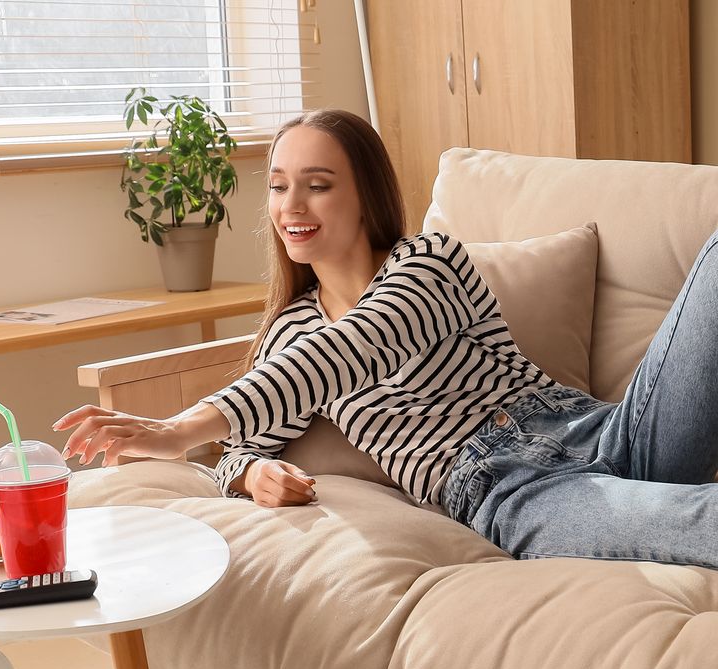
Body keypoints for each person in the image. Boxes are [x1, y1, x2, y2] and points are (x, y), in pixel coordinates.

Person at [54, 109, 718, 570]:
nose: (292, 206)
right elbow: (239, 451)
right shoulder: (291, 331)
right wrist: (254, 472)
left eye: (317, 186)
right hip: (510, 492)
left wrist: (179, 427)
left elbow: (356, 346)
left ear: (366, 197)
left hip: (601, 430)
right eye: (280, 186)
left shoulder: (427, 262)